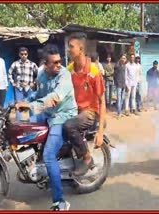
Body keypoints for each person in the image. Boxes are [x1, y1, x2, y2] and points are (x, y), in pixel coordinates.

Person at [15, 44, 76, 211]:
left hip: (62, 115)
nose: (58, 65)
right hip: (47, 113)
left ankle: (60, 202)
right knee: (24, 127)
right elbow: (39, 94)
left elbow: (54, 98)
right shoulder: (41, 73)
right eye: (54, 63)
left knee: (49, 155)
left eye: (59, 61)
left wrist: (31, 106)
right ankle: (35, 161)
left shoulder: (64, 75)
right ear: (45, 63)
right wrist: (25, 101)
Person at [64, 32, 106, 176]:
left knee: (69, 126)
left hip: (89, 113)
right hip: (73, 111)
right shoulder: (69, 70)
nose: (68, 50)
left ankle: (87, 158)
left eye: (71, 47)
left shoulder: (94, 71)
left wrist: (100, 132)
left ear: (81, 49)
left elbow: (102, 101)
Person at [8, 47, 38, 121]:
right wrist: (12, 83)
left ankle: (32, 121)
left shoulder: (32, 64)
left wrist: (34, 83)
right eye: (22, 54)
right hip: (19, 88)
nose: (23, 55)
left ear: (27, 55)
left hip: (29, 88)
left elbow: (39, 74)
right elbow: (9, 73)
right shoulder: (15, 64)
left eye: (25, 54)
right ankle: (18, 122)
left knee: (31, 105)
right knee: (18, 105)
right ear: (19, 55)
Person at [114, 54, 127, 119]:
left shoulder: (125, 66)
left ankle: (120, 111)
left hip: (124, 84)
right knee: (119, 99)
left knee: (122, 99)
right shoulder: (117, 66)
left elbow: (126, 76)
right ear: (120, 59)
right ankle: (119, 113)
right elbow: (115, 75)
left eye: (124, 58)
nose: (123, 59)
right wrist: (115, 83)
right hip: (118, 84)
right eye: (122, 58)